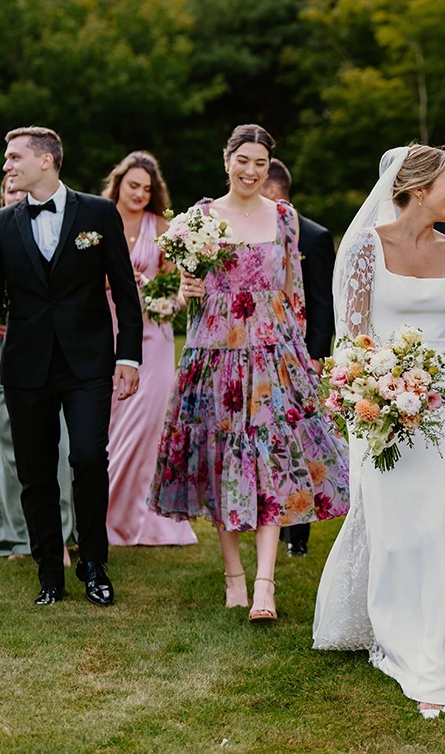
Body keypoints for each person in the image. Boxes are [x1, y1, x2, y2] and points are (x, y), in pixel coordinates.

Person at [313, 144, 445, 719]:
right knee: (391, 528)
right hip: (379, 405)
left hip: (438, 412)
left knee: (439, 522)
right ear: (415, 186)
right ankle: (396, 634)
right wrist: (372, 396)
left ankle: (437, 646)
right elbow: (351, 334)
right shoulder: (366, 247)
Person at [150, 124, 349, 622]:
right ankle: (233, 576)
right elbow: (181, 295)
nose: (252, 171)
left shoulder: (285, 217)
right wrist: (187, 292)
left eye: (261, 163)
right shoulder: (198, 218)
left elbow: (294, 291)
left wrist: (300, 356)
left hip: (270, 351)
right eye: (244, 160)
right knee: (223, 457)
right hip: (214, 351)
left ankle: (265, 585)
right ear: (226, 161)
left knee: (269, 459)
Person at [0, 126, 144, 608]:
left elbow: (126, 292)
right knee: (36, 471)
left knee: (88, 456)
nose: (7, 165)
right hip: (25, 367)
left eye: (14, 156)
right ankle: (49, 572)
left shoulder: (98, 213)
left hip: (87, 362)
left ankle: (93, 564)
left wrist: (128, 355)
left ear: (46, 161)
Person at [99, 152, 196, 548]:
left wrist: (160, 302)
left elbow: (177, 287)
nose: (139, 193)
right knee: (107, 426)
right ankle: (102, 517)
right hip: (105, 332)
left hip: (153, 340)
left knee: (145, 426)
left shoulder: (164, 228)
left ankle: (144, 521)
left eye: (147, 188)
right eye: (133, 185)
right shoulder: (97, 220)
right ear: (118, 184)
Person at [0, 178, 78, 559]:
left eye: (24, 192)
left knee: (63, 444)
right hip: (10, 355)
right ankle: (19, 534)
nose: (17, 199)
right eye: (10, 193)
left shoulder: (62, 228)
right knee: (9, 449)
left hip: (57, 353)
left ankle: (64, 533)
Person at [262, 157, 336, 558]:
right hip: (261, 353)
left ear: (274, 190)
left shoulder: (314, 236)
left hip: (302, 357)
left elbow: (324, 302)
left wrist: (318, 355)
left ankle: (299, 535)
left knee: (301, 441)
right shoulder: (251, 232)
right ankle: (272, 517)